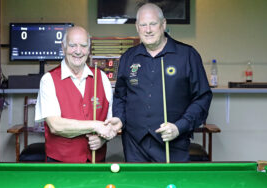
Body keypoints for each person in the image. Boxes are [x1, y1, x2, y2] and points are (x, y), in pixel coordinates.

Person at [113, 3, 212, 162]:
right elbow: (119, 97)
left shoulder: (187, 55)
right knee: (137, 187)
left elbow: (202, 98)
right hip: (134, 145)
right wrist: (118, 118)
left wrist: (180, 127)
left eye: (153, 24)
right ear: (137, 27)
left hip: (173, 143)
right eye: (143, 25)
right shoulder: (128, 57)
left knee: (173, 185)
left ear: (163, 24)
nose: (148, 29)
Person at [35, 26, 122, 163]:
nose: (78, 51)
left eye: (83, 46)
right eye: (72, 45)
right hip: (60, 164)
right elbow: (55, 125)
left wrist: (103, 139)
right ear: (63, 47)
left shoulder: (102, 78)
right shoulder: (48, 79)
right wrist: (95, 125)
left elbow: (110, 123)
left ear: (88, 49)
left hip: (95, 162)